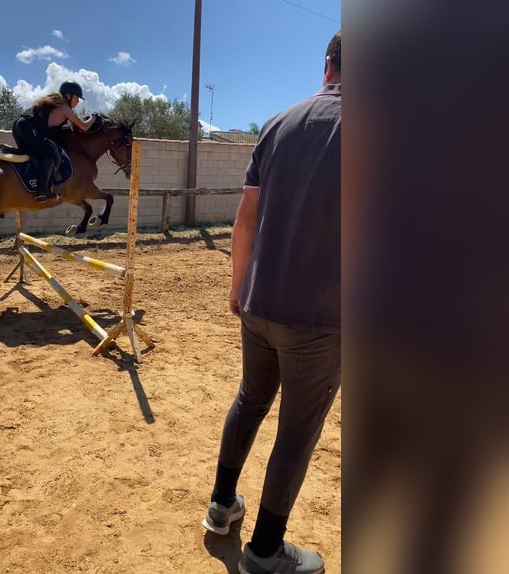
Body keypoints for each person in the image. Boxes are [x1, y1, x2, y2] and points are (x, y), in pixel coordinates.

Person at [201, 31, 341, 574]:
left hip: (259, 303)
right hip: (321, 319)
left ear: (327, 65)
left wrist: (239, 286)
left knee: (250, 399)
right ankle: (264, 550)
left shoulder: (279, 124)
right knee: (297, 431)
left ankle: (220, 505)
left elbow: (245, 218)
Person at [12, 81, 98, 202]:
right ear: (69, 96)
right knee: (53, 154)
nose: (78, 101)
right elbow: (84, 127)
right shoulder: (65, 109)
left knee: (38, 153)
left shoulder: (55, 106)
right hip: (27, 128)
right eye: (77, 97)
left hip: (19, 126)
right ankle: (42, 191)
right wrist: (94, 117)